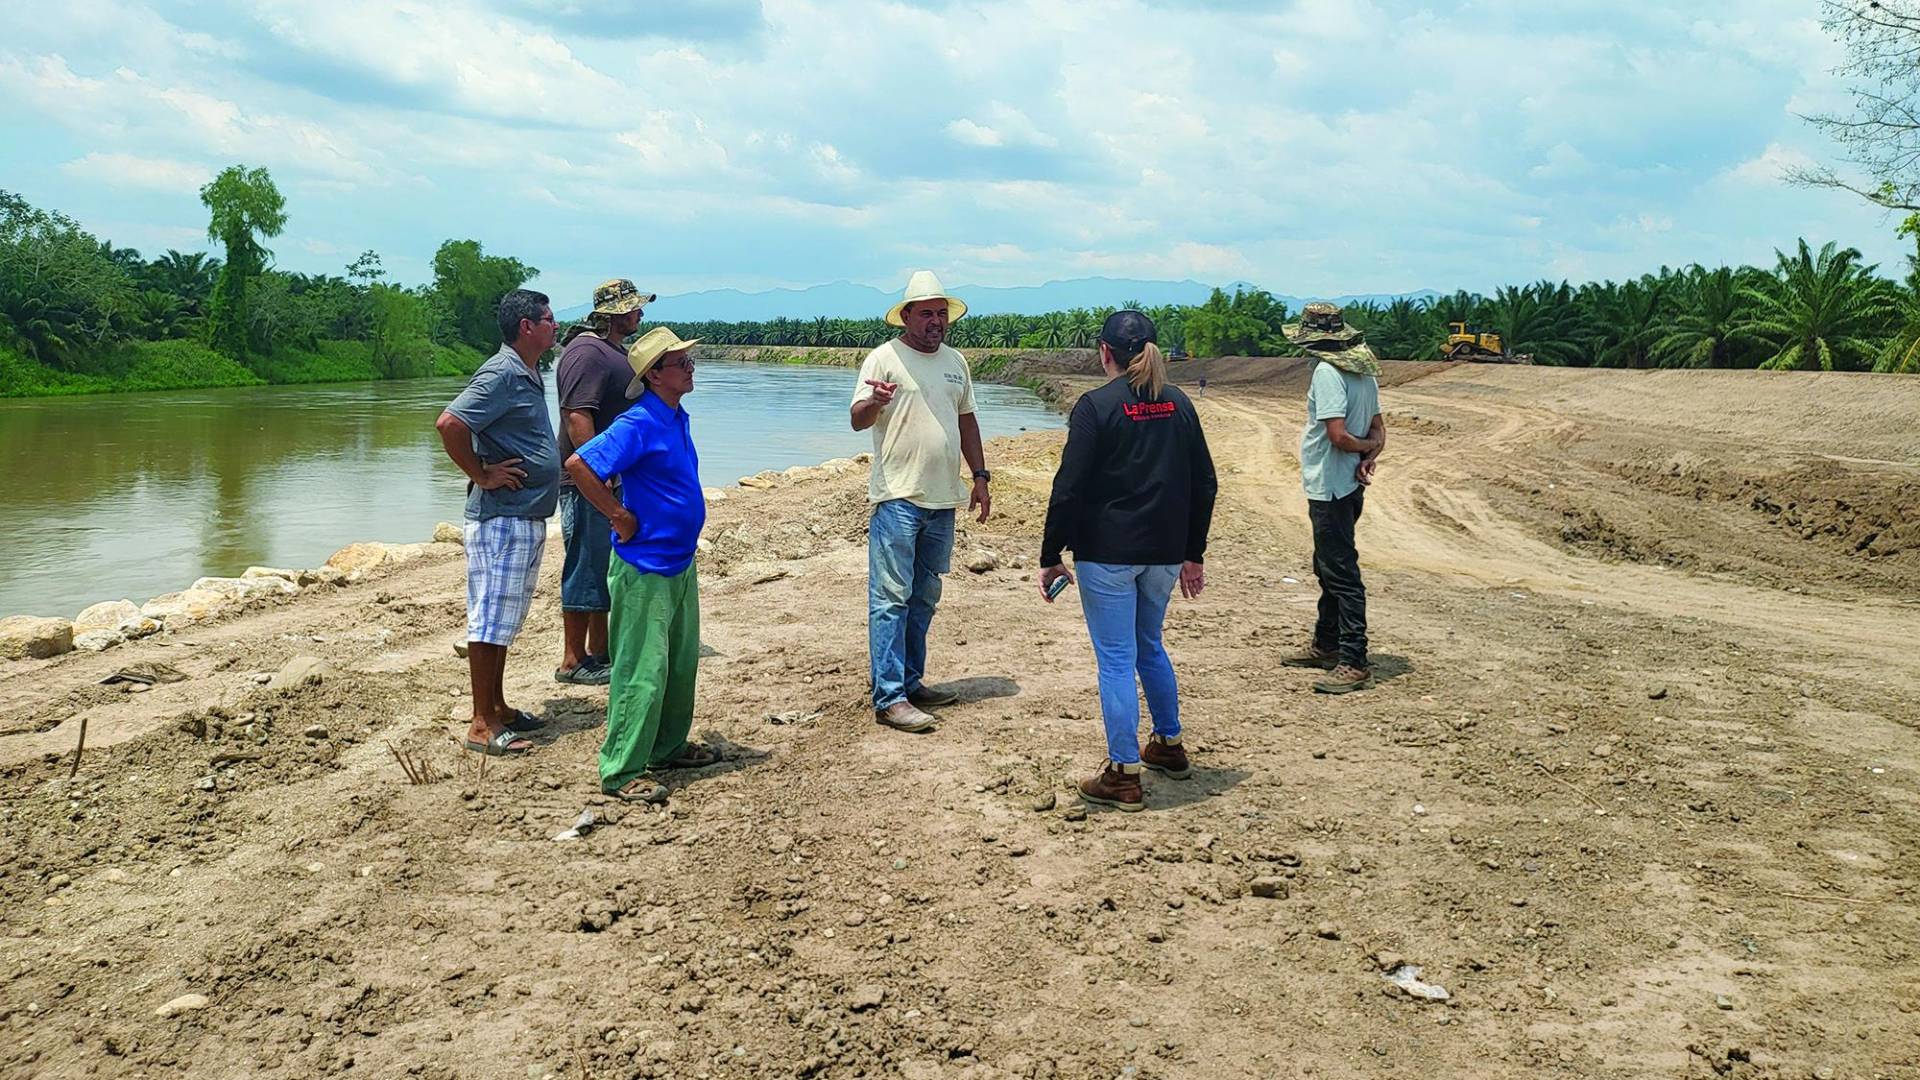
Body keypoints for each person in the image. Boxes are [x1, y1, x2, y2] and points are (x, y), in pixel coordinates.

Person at [1038, 310, 1218, 812]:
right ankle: (1168, 744)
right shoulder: (1179, 403)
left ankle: (1123, 773)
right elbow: (1205, 481)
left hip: (1109, 554)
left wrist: (1051, 554)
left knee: (1116, 659)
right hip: (1164, 553)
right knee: (1149, 647)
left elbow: (1068, 486)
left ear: (1105, 353)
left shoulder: (1096, 406)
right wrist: (1192, 552)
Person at [565, 326, 720, 804]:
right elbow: (579, 465)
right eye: (681, 363)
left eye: (690, 361)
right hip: (644, 568)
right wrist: (617, 514)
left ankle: (666, 747)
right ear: (654, 375)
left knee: (678, 664)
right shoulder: (638, 423)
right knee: (640, 670)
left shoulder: (675, 416)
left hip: (678, 562)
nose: (690, 368)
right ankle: (621, 769)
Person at [850, 270, 992, 733]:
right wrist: (874, 402)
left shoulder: (956, 362)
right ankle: (889, 698)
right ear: (906, 316)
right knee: (891, 598)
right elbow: (856, 420)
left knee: (924, 595)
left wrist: (980, 477)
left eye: (941, 313)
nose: (936, 320)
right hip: (898, 498)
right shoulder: (883, 359)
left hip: (943, 500)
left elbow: (967, 421)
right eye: (926, 313)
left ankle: (911, 682)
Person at [435, 289, 561, 755]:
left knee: (503, 618)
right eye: (548, 319)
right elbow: (450, 424)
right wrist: (481, 474)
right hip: (501, 519)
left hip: (522, 514)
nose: (555, 325)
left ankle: (499, 707)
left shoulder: (527, 371)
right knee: (489, 620)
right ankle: (482, 724)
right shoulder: (502, 373)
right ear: (525, 327)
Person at [553, 278, 656, 686]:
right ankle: (572, 660)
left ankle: (599, 651)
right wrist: (601, 473)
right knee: (585, 564)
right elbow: (578, 416)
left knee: (602, 566)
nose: (640, 314)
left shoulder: (607, 350)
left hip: (607, 479)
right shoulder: (586, 353)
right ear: (615, 313)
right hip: (589, 482)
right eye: (634, 308)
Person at [1280, 302, 1385, 694]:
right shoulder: (1364, 373)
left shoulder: (1327, 373)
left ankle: (1353, 658)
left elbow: (1337, 436)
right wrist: (1369, 453)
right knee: (1327, 565)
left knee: (1340, 571)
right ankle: (1326, 643)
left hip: (1329, 484)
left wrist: (1359, 449)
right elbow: (1379, 430)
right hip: (1348, 484)